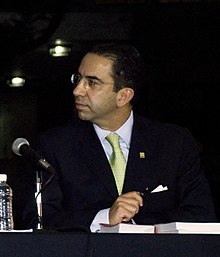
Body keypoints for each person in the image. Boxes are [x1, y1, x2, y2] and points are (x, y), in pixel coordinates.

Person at [23, 42, 217, 232]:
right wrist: (105, 218)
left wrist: (132, 223)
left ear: (123, 96)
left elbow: (201, 215)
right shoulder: (54, 146)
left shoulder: (174, 142)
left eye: (92, 82)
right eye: (78, 79)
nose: (77, 90)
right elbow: (37, 220)